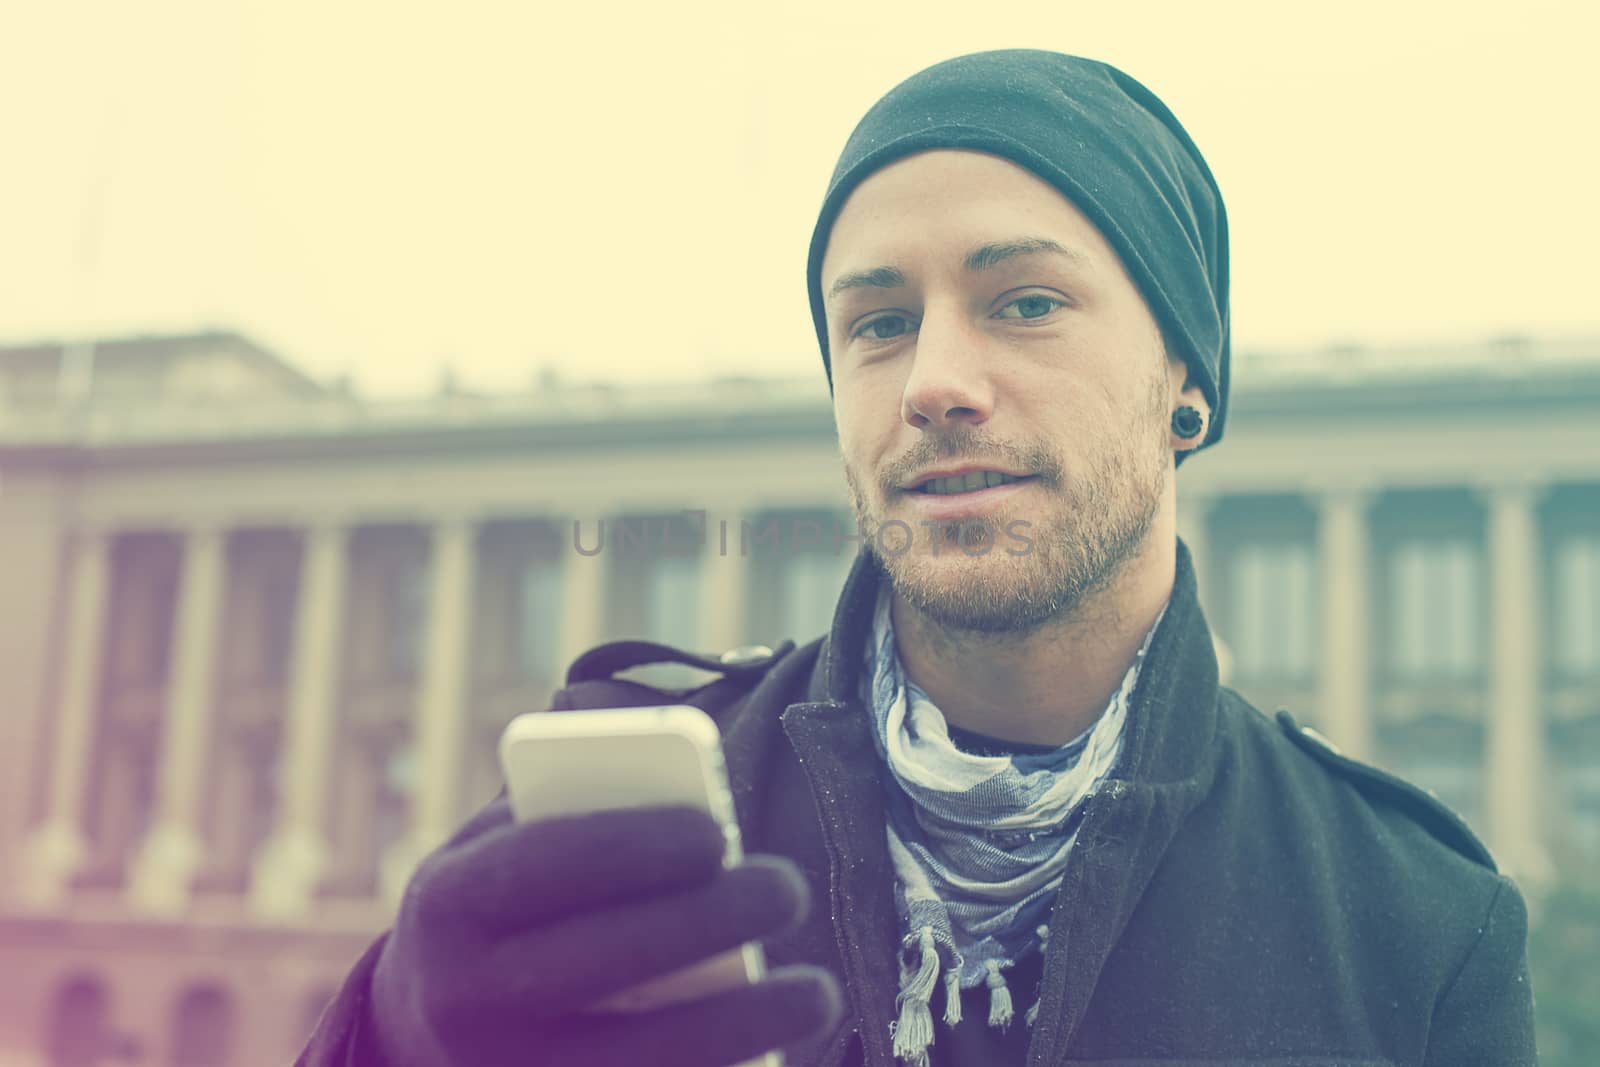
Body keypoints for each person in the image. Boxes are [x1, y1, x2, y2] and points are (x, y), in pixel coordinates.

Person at [297, 50, 1538, 1067]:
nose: (935, 381)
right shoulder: (636, 817)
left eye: (1026, 302)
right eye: (879, 323)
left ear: (1186, 387)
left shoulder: (1411, 921)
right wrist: (385, 1036)